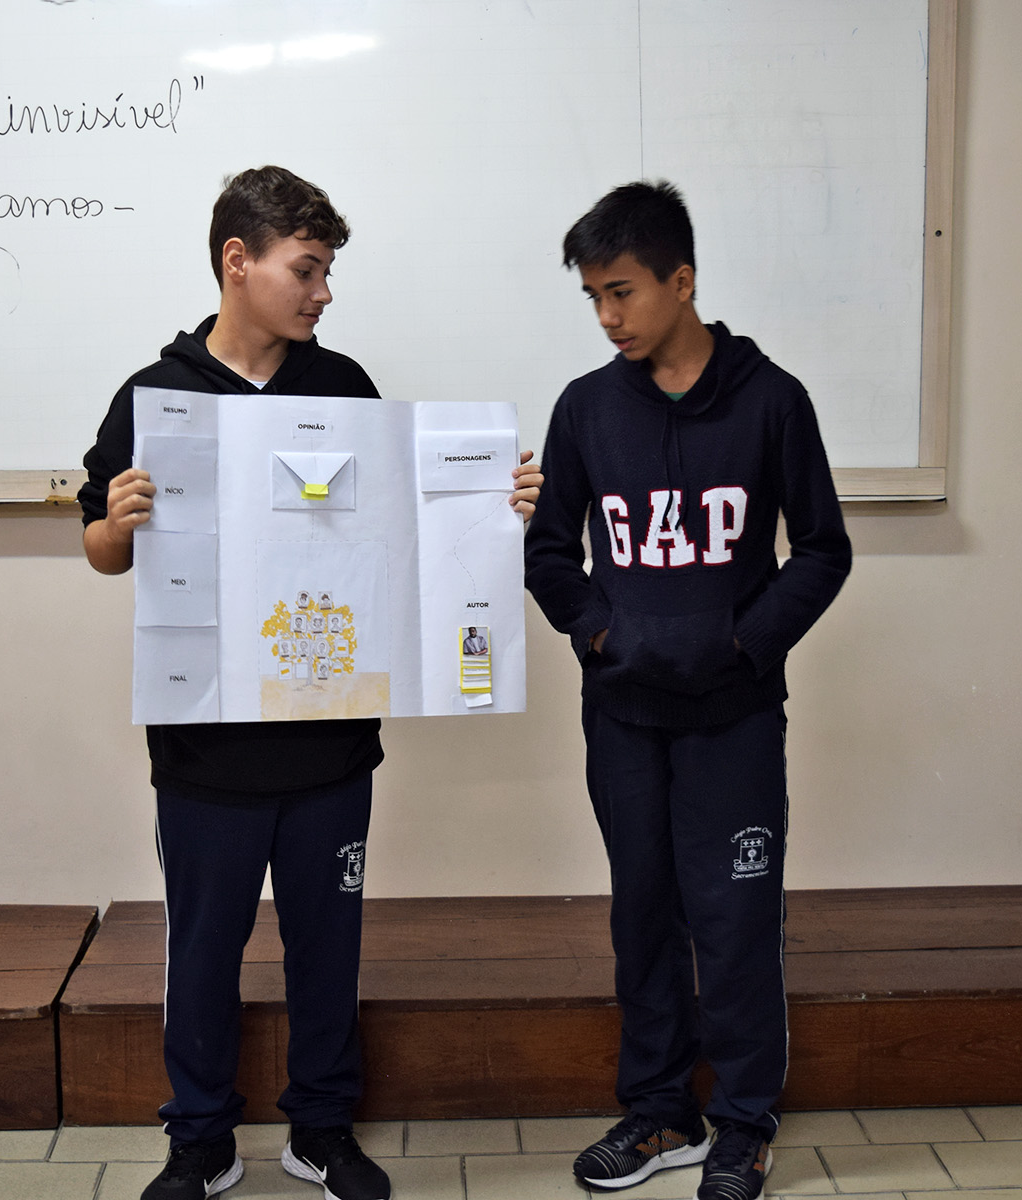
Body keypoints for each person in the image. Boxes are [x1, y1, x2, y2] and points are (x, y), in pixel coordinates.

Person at [80, 165, 541, 1200]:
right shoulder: (157, 394)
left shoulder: (342, 388)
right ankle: (200, 1140)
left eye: (327, 271)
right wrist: (117, 523)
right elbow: (102, 553)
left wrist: (493, 502)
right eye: (307, 269)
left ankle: (321, 1131)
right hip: (203, 749)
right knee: (203, 950)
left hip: (330, 743)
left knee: (327, 947)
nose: (323, 292)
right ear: (237, 262)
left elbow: (400, 540)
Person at [524, 180, 851, 1199]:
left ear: (682, 279)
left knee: (736, 918)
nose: (607, 315)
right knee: (643, 915)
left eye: (621, 291)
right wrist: (600, 634)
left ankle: (744, 1125)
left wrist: (745, 645)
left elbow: (823, 551)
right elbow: (549, 554)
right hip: (624, 717)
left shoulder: (771, 400)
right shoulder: (584, 408)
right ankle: (661, 1113)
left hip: (733, 717)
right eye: (592, 297)